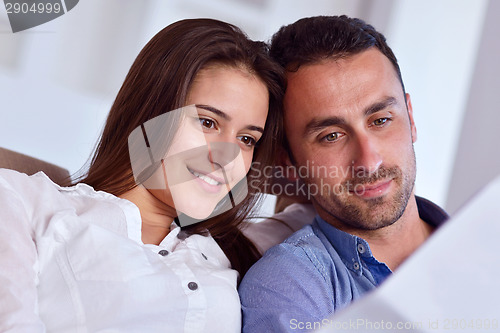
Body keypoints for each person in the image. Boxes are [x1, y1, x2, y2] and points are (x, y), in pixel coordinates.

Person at [0, 18, 284, 332]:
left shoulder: (232, 250)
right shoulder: (25, 202)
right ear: (151, 111)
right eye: (207, 122)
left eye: (247, 140)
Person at [239, 15, 449, 332]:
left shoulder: (483, 245)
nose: (369, 161)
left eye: (380, 120)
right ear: (288, 162)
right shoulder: (289, 285)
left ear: (411, 118)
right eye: (331, 136)